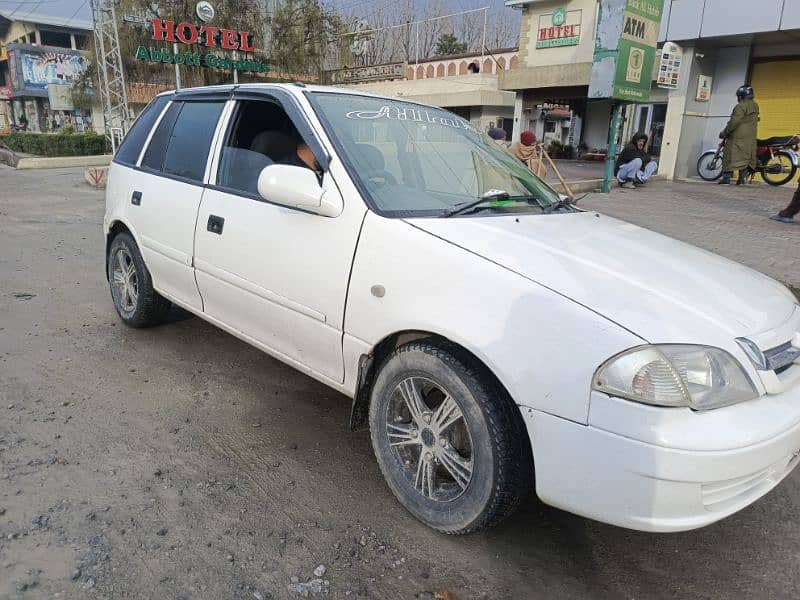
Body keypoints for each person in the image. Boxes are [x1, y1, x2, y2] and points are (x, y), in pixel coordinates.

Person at [719, 85, 759, 185]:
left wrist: (725, 132)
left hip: (737, 136)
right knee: (746, 158)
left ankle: (726, 179)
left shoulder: (740, 106)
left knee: (729, 155)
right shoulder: (755, 105)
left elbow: (734, 122)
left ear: (741, 96)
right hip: (750, 137)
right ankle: (741, 180)